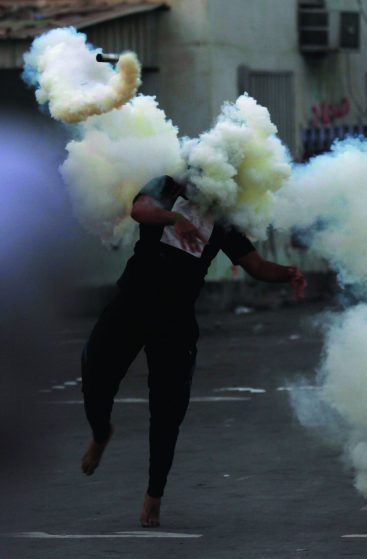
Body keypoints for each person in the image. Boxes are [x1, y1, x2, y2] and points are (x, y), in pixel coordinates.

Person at [79, 175, 307, 528]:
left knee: (168, 410)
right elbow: (139, 210)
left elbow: (255, 265)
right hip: (131, 306)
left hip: (175, 320)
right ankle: (100, 431)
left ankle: (154, 495)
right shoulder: (169, 187)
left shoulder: (225, 223)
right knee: (95, 373)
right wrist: (175, 219)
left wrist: (289, 272)